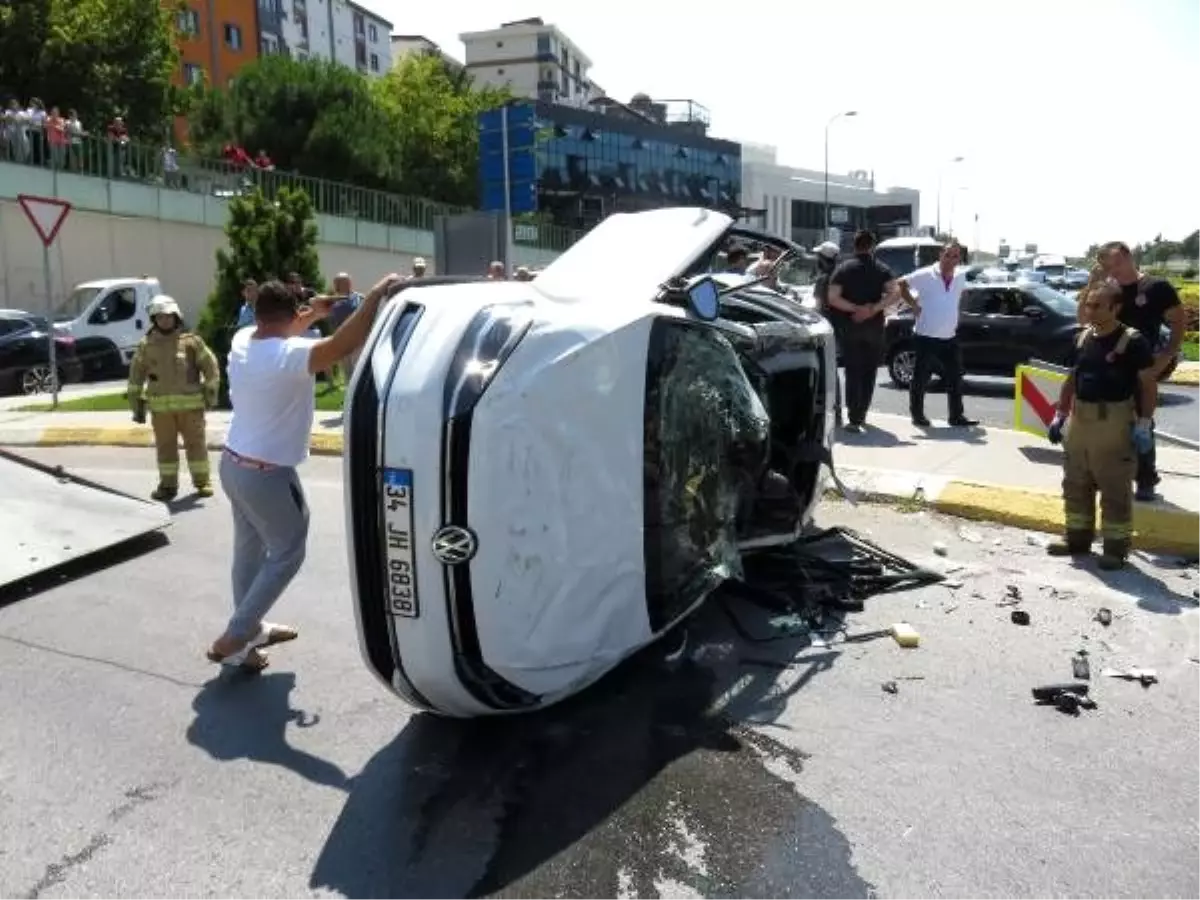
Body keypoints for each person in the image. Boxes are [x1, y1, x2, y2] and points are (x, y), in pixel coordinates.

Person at [206, 274, 403, 672]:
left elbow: (282, 332)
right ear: (290, 312)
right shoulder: (291, 355)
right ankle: (236, 635)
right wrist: (374, 295)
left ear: (258, 312)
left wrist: (312, 314)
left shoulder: (242, 341)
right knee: (288, 551)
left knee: (249, 551)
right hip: (267, 475)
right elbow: (342, 345)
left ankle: (248, 634)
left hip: (233, 465)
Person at [1046, 279, 1156, 569]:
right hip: (1081, 421)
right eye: (1088, 305)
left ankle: (1115, 549)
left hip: (1114, 423)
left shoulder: (1132, 341)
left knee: (1114, 488)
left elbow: (1148, 385)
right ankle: (1076, 539)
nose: (1090, 310)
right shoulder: (1083, 338)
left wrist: (1144, 423)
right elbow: (1072, 377)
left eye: (1097, 306)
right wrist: (1060, 414)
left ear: (1116, 308)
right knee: (1075, 482)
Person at [1079, 242, 1185, 501]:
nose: (1112, 270)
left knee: (1142, 422)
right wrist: (1092, 284)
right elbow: (1083, 319)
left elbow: (1178, 322)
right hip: (1108, 365)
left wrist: (1166, 355)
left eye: (1115, 263)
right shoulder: (1107, 291)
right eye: (1107, 266)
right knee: (1105, 423)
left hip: (1141, 365)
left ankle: (1146, 479)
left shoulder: (1156, 287)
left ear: (1128, 257)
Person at [127, 296, 220, 500]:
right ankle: (168, 486)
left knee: (196, 446)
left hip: (191, 409)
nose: (165, 320)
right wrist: (136, 406)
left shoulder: (191, 342)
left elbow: (210, 366)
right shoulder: (146, 345)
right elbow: (135, 377)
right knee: (165, 449)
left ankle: (203, 482)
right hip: (161, 412)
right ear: (154, 319)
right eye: (160, 317)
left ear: (176, 317)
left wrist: (211, 393)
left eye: (169, 316)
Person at [897, 240, 979, 429]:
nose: (950, 259)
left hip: (949, 336)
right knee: (921, 377)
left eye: (955, 256)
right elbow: (901, 283)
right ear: (940, 255)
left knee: (955, 377)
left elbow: (957, 296)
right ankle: (917, 415)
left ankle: (956, 416)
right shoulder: (926, 274)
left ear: (959, 259)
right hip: (926, 336)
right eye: (947, 255)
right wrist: (913, 305)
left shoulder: (960, 276)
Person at [824, 231, 897, 432]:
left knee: (853, 371)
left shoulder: (843, 268)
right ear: (872, 246)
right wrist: (873, 309)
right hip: (874, 327)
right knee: (869, 371)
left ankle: (854, 418)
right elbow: (895, 293)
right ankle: (862, 413)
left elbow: (833, 297)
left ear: (855, 246)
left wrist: (855, 309)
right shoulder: (882, 268)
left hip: (850, 327)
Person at [812, 241, 843, 425]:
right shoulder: (842, 276)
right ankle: (837, 411)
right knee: (834, 369)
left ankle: (830, 411)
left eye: (818, 256)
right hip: (842, 327)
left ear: (823, 259)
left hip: (826, 327)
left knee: (827, 370)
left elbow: (817, 307)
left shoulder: (822, 279)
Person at [326, 272, 365, 377]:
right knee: (348, 371)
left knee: (359, 369)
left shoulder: (359, 298)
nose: (346, 284)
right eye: (340, 282)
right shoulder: (332, 300)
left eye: (347, 282)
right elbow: (331, 321)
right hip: (341, 339)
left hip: (358, 339)